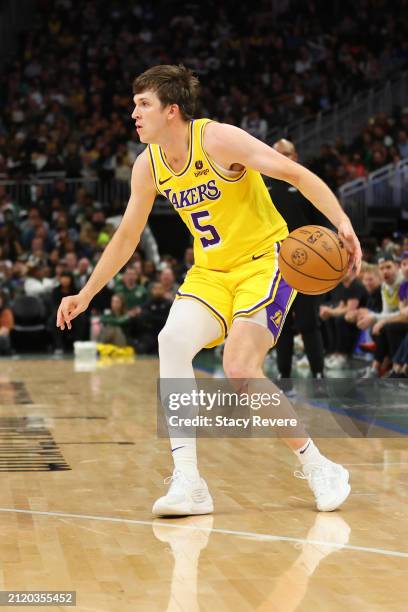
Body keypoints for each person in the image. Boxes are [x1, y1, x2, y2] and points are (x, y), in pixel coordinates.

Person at [56, 65, 362, 517]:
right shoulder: (149, 165)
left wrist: (342, 222)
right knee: (171, 341)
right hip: (211, 273)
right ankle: (190, 483)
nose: (133, 113)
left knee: (239, 365)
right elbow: (126, 237)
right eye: (133, 104)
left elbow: (295, 174)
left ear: (172, 111)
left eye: (143, 104)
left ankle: (319, 466)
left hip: (265, 262)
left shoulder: (218, 139)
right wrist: (86, 293)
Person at [268, 139, 330, 379]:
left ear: (295, 156)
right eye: (276, 153)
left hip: (308, 265)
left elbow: (323, 224)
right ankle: (284, 377)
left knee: (307, 322)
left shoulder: (306, 183)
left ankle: (319, 375)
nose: (280, 157)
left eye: (285, 153)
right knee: (280, 324)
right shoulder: (263, 187)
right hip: (275, 264)